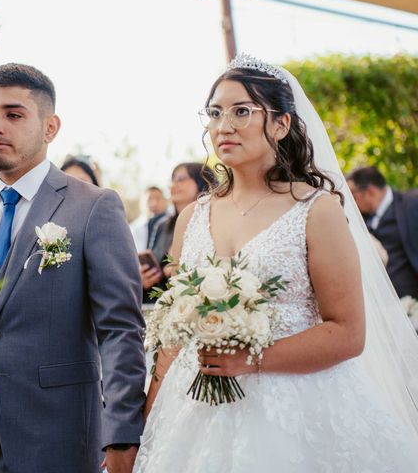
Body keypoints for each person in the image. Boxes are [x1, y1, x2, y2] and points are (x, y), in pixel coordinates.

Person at [134, 54, 418, 472]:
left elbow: (348, 332)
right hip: (192, 413)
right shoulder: (191, 218)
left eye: (241, 111)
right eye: (214, 113)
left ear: (282, 124)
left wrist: (252, 359)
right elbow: (172, 335)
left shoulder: (315, 210)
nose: (223, 126)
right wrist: (146, 424)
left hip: (298, 413)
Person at [0, 63, 146, 473]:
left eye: (13, 114)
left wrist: (122, 431)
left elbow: (120, 328)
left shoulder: (94, 207)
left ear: (50, 128)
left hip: (59, 433)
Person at [141, 164, 215, 303]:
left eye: (181, 179)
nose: (174, 185)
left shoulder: (213, 222)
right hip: (157, 304)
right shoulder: (162, 225)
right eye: (172, 180)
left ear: (202, 182)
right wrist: (144, 278)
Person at [347, 166, 418, 299]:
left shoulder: (413, 203)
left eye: (353, 196)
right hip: (375, 301)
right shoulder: (357, 219)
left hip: (411, 302)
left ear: (370, 192)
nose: (351, 203)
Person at [130, 186, 169, 253]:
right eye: (149, 199)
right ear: (142, 202)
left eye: (158, 198)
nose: (154, 203)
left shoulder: (173, 223)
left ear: (165, 201)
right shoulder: (132, 229)